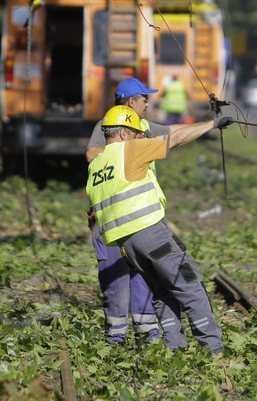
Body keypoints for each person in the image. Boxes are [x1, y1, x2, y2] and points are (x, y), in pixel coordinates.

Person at [87, 106, 234, 353]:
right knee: (191, 286)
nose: (139, 137)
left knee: (162, 292)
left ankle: (174, 348)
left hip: (127, 245)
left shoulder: (98, 166)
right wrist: (212, 124)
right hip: (150, 234)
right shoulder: (130, 150)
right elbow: (174, 138)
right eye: (136, 133)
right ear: (123, 134)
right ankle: (214, 350)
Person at [84, 77, 168, 346]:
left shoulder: (145, 126)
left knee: (143, 272)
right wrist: (127, 155)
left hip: (138, 212)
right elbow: (92, 153)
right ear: (131, 101)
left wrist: (210, 124)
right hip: (111, 214)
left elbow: (174, 133)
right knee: (115, 272)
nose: (148, 104)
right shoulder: (109, 124)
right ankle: (116, 334)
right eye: (145, 99)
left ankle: (148, 333)